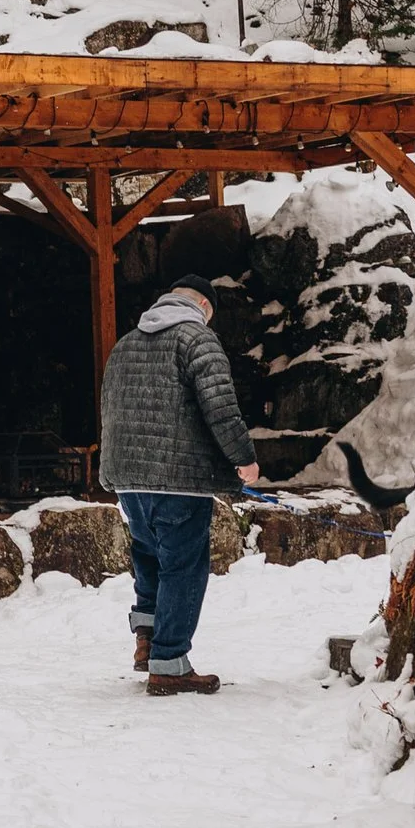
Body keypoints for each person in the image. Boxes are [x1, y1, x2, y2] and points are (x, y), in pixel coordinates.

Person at [96, 208, 261, 696]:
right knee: (183, 565)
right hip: (178, 480)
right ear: (204, 307)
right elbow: (221, 409)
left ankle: (147, 640)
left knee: (148, 556)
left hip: (128, 478)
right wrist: (243, 459)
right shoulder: (197, 339)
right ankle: (169, 664)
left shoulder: (126, 343)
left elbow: (110, 407)